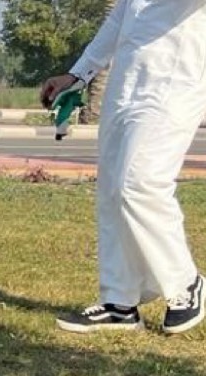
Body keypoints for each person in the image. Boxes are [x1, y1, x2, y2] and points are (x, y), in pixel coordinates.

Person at [44, 1, 206, 335]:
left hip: (174, 85)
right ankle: (119, 302)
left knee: (140, 183)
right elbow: (120, 17)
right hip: (126, 83)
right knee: (112, 191)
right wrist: (79, 74)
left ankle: (186, 283)